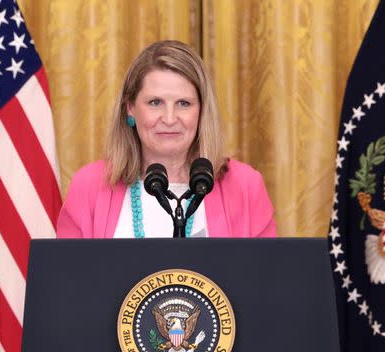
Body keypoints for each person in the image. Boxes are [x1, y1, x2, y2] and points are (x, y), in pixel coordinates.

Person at [56, 40, 277, 238]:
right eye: (155, 102)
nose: (170, 119)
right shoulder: (89, 186)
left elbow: (267, 280)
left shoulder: (245, 186)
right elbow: (67, 280)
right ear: (130, 108)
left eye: (184, 103)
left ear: (202, 112)